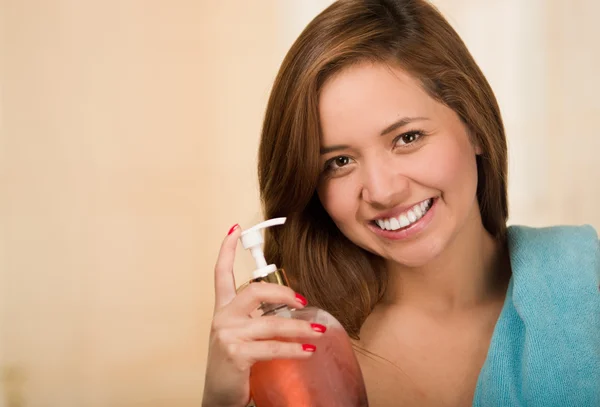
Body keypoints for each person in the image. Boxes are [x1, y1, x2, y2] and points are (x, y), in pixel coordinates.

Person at [202, 0, 600, 406]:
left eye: (407, 138)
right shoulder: (297, 356)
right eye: (339, 162)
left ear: (474, 126)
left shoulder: (588, 289)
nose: (382, 190)